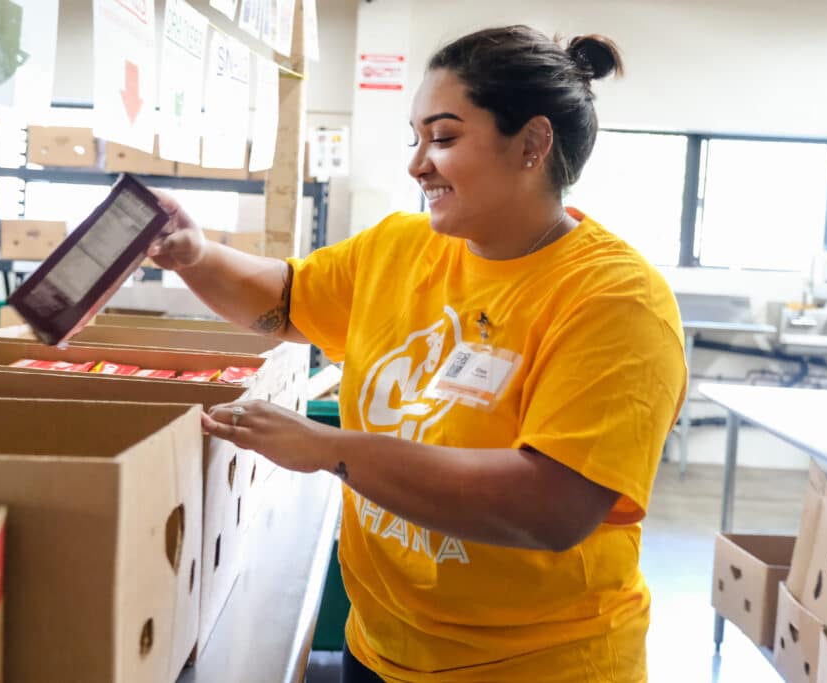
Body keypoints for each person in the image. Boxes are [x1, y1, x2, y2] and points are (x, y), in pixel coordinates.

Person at [148, 25, 686, 683]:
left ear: (533, 144)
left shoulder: (615, 300)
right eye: (416, 138)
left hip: (534, 666)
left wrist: (327, 447)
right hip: (381, 649)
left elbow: (553, 505)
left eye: (445, 137)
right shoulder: (400, 249)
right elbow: (285, 299)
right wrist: (196, 254)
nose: (417, 163)